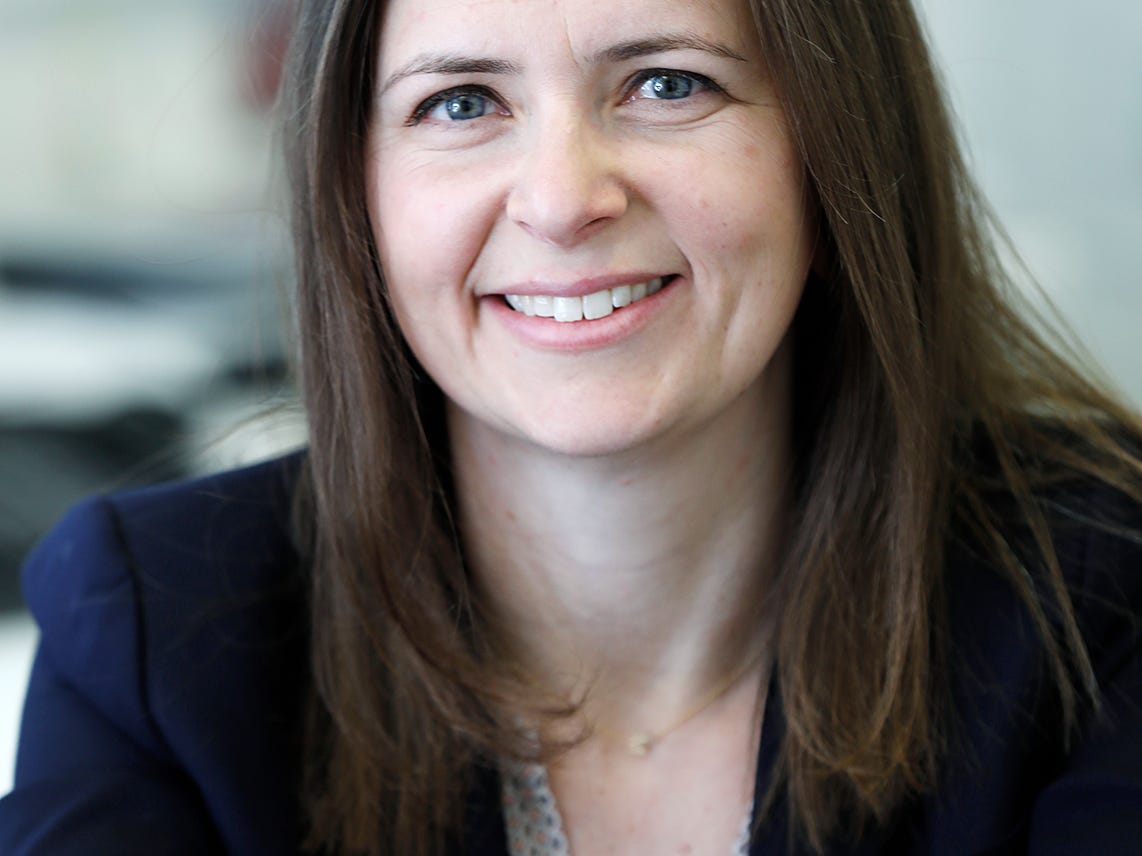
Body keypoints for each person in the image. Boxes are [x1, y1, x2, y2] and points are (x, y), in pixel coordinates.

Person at [1, 0, 1140, 853]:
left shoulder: (1098, 599)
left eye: (665, 84)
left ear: (836, 144)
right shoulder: (154, 636)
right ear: (355, 190)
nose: (559, 198)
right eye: (459, 103)